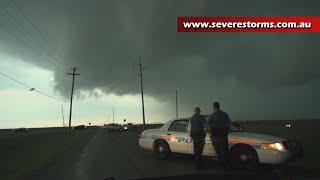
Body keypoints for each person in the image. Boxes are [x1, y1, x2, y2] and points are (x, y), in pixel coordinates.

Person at [208, 102, 231, 167]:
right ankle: (227, 164)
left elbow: (208, 124)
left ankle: (221, 165)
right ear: (219, 106)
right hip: (224, 135)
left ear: (214, 107)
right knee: (225, 150)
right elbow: (229, 123)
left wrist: (210, 133)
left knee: (218, 151)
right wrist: (227, 132)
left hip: (216, 136)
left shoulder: (212, 115)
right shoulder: (225, 114)